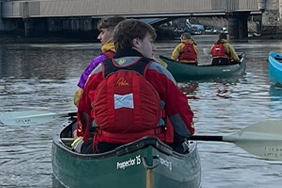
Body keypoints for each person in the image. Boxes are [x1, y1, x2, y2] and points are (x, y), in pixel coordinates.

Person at [75, 19, 194, 153]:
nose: (154, 48)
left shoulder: (98, 72)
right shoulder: (158, 72)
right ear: (136, 42)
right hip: (152, 144)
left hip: (106, 146)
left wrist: (83, 136)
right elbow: (179, 111)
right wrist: (182, 138)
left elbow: (84, 110)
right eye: (150, 42)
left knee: (79, 145)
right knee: (181, 148)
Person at [73, 15, 128, 108]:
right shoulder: (149, 61)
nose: (99, 37)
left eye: (103, 32)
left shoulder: (100, 63)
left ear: (116, 33)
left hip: (105, 117)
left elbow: (80, 98)